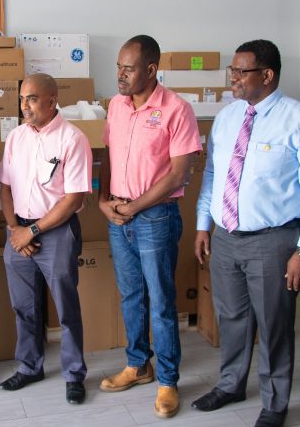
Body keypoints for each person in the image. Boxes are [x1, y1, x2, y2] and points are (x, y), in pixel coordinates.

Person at [192, 39, 300, 427]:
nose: (233, 79)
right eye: (232, 71)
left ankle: (274, 403)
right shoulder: (227, 117)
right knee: (232, 317)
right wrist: (203, 224)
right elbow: (211, 175)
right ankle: (231, 383)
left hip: (274, 241)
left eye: (241, 72)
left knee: (273, 323)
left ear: (267, 75)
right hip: (225, 237)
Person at [98, 35, 201, 419]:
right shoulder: (116, 106)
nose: (121, 75)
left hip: (155, 217)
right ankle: (138, 365)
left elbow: (178, 175)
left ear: (152, 70)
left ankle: (168, 380)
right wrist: (104, 201)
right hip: (119, 215)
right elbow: (108, 156)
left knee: (160, 299)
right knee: (131, 296)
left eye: (129, 68)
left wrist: (134, 207)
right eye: (119, 68)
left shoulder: (177, 110)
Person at [0, 74, 92, 404]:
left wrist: (32, 231)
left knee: (66, 308)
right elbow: (5, 187)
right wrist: (14, 229)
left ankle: (74, 373)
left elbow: (74, 199)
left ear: (52, 101)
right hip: (18, 231)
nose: (25, 105)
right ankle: (29, 367)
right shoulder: (16, 137)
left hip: (56, 232)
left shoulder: (72, 138)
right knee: (24, 307)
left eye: (32, 98)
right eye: (22, 98)